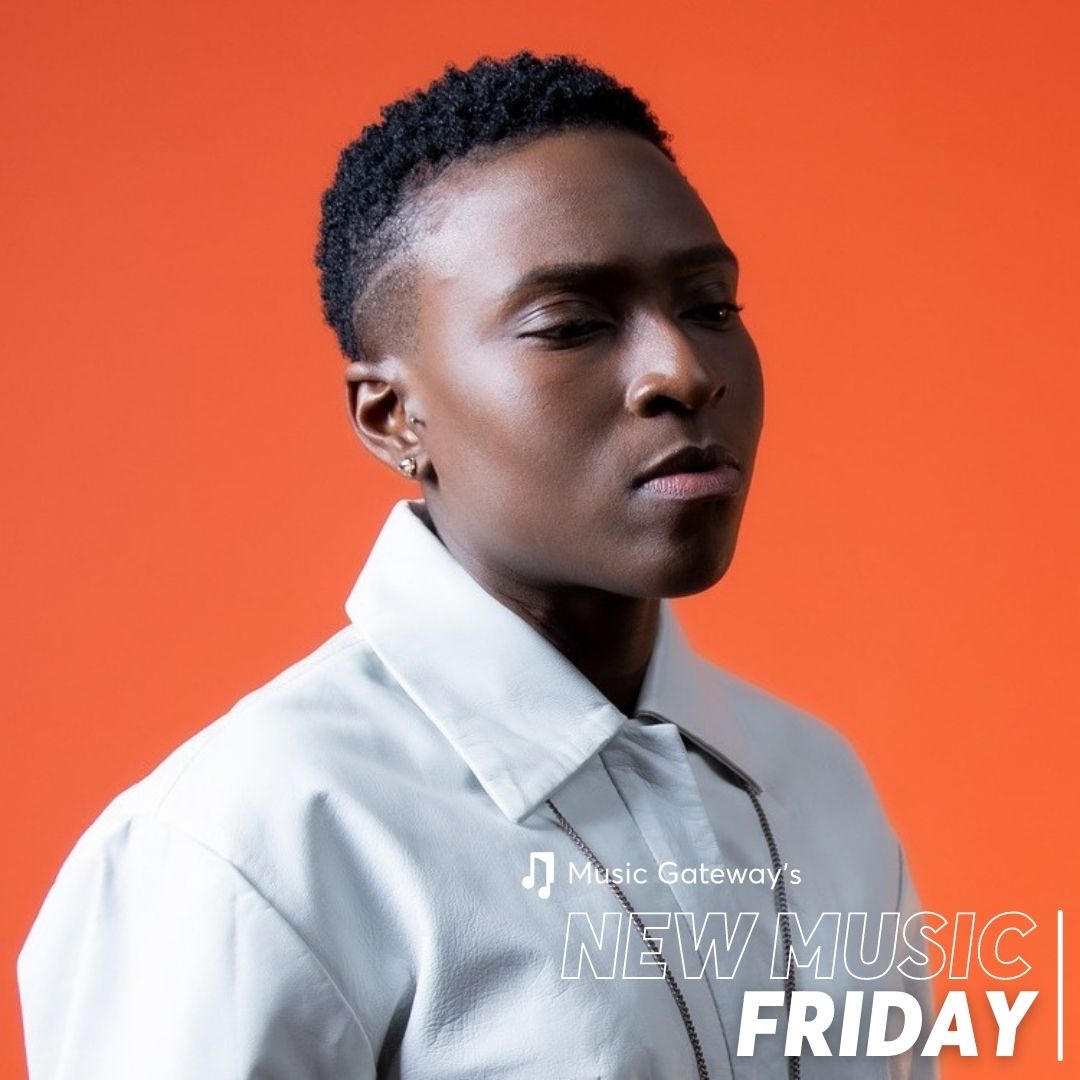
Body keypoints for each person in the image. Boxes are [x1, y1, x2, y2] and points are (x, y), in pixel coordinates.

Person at [17, 51, 936, 1079]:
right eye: (570, 326)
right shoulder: (245, 854)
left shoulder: (816, 787)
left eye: (711, 306)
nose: (682, 371)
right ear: (393, 417)